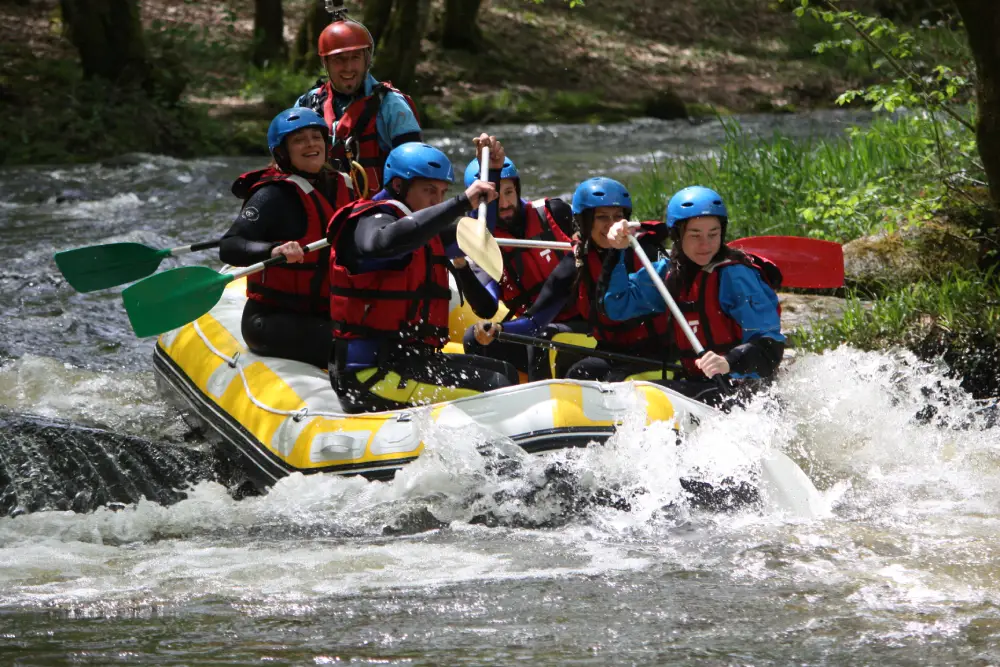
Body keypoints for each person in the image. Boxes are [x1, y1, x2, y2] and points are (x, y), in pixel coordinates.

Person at [326, 142, 520, 414]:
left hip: (410, 361)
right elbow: (384, 242)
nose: (436, 201)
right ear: (398, 186)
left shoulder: (426, 233)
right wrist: (460, 202)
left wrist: (493, 174)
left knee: (505, 371)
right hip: (369, 376)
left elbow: (478, 236)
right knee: (495, 384)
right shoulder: (368, 221)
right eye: (429, 190)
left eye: (442, 193)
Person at [472, 177, 674, 382]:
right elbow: (535, 321)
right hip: (614, 350)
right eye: (602, 217)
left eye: (617, 216)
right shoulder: (578, 262)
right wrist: (500, 328)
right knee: (578, 372)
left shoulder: (645, 249)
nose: (611, 225)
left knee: (583, 373)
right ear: (585, 222)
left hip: (657, 352)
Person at [602, 186, 785, 406]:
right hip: (700, 385)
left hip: (745, 392)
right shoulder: (667, 273)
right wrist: (617, 251)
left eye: (713, 234)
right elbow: (617, 306)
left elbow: (770, 347)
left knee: (642, 399)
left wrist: (728, 361)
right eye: (695, 235)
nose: (705, 244)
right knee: (619, 388)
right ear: (677, 235)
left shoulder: (736, 277)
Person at [220, 107, 356, 369]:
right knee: (357, 350)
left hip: (328, 311)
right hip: (272, 320)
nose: (310, 144)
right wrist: (273, 250)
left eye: (316, 137)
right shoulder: (273, 194)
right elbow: (230, 246)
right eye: (299, 140)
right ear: (282, 152)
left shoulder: (346, 185)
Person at [456, 135, 587, 381]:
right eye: (496, 196)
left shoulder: (554, 213)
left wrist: (504, 328)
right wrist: (460, 266)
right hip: (533, 325)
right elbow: (487, 305)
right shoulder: (485, 240)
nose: (505, 203)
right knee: (473, 339)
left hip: (579, 321)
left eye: (509, 192)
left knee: (540, 338)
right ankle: (500, 395)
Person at [295, 18, 422, 197]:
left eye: (355, 57)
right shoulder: (307, 104)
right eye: (339, 59)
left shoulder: (392, 105)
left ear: (366, 59)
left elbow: (416, 173)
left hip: (377, 214)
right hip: (324, 210)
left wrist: (374, 208)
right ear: (326, 63)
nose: (348, 68)